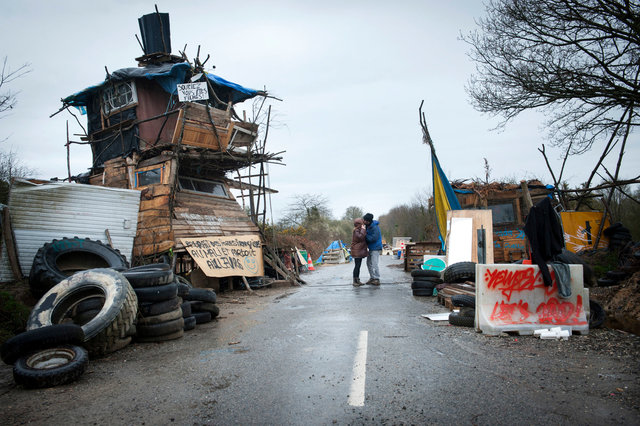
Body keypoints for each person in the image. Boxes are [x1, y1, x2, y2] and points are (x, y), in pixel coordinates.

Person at [363, 212, 382, 285]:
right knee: (368, 263)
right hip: (371, 248)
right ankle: (372, 277)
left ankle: (377, 278)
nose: (363, 221)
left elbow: (373, 238)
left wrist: (365, 235)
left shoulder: (375, 227)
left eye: (365, 220)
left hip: (376, 248)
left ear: (368, 221)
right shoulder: (367, 226)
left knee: (374, 264)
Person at [350, 218, 368, 287]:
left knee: (358, 266)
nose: (363, 225)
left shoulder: (358, 230)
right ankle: (355, 281)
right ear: (359, 224)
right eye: (362, 224)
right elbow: (360, 237)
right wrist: (363, 230)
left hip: (358, 251)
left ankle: (357, 280)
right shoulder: (356, 231)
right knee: (357, 266)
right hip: (357, 251)